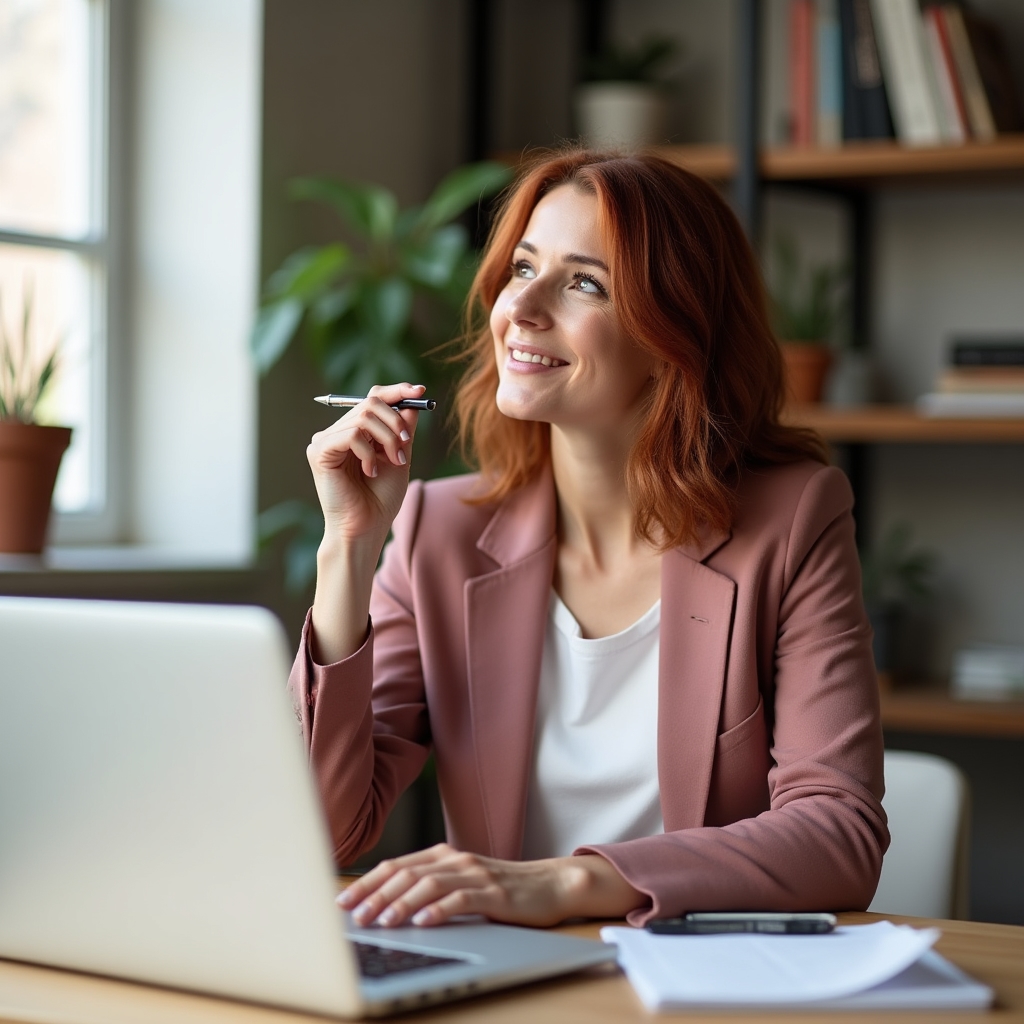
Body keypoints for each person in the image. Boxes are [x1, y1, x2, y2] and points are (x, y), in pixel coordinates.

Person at [289, 150, 888, 931]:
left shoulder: (792, 519)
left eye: (584, 282)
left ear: (677, 330)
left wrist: (568, 884)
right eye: (521, 268)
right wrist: (348, 550)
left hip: (694, 979)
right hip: (504, 984)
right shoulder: (440, 527)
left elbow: (839, 834)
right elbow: (328, 829)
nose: (522, 308)